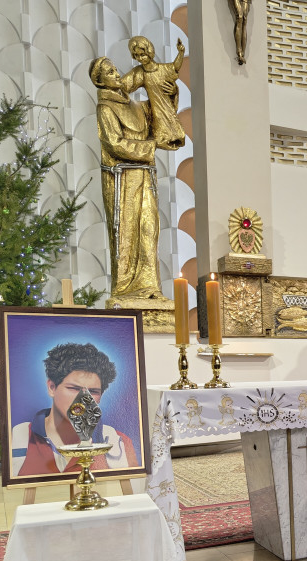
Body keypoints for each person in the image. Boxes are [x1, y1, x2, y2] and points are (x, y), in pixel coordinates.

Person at [91, 55, 179, 300]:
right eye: (109, 72)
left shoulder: (136, 107)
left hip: (145, 177)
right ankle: (126, 291)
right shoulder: (105, 109)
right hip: (122, 180)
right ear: (100, 83)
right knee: (126, 234)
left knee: (149, 230)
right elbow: (114, 144)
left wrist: (169, 92)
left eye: (115, 69)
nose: (117, 74)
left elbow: (161, 115)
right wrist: (150, 147)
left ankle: (150, 288)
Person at [10, 343, 138, 477]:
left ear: (101, 396)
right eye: (74, 388)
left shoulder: (117, 442)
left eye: (93, 391)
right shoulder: (19, 437)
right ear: (52, 388)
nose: (83, 399)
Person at [120, 36, 186, 150]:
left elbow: (175, 67)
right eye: (137, 56)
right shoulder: (140, 72)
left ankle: (173, 139)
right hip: (156, 107)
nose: (140, 58)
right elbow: (123, 85)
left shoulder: (162, 69)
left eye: (143, 54)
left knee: (174, 128)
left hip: (167, 104)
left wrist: (181, 52)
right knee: (160, 132)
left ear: (149, 51)